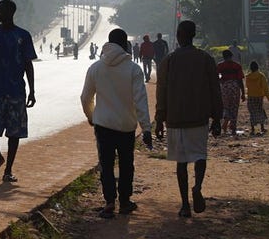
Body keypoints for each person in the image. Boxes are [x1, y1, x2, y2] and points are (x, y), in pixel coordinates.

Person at [81, 28, 153, 218]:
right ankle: (125, 201)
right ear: (125, 45)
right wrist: (146, 128)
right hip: (126, 125)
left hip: (103, 124)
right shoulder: (133, 70)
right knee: (126, 164)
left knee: (106, 164)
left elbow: (85, 97)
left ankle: (109, 202)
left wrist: (91, 116)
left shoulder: (95, 68)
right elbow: (140, 100)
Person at [155, 20, 222, 218]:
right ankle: (197, 187)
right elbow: (215, 90)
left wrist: (160, 118)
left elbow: (162, 92)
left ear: (179, 35)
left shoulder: (169, 61)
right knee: (200, 156)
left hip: (175, 119)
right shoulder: (205, 59)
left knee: (181, 162)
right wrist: (217, 117)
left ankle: (185, 204)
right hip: (199, 117)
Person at [0, 0, 37, 183]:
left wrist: (32, 91)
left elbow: (28, 64)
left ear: (9, 12)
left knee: (14, 132)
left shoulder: (23, 35)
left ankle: (8, 170)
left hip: (16, 91)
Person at [217, 49, 246, 136]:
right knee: (234, 107)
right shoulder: (237, 66)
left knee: (226, 106)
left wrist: (221, 83)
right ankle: (233, 128)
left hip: (225, 87)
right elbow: (240, 79)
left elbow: (216, 77)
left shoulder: (220, 65)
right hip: (235, 87)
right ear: (231, 56)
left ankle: (226, 119)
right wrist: (243, 93)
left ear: (223, 57)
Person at [244, 60, 269, 135]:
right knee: (260, 110)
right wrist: (268, 97)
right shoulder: (261, 76)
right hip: (259, 97)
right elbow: (265, 87)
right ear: (257, 67)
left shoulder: (248, 77)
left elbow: (247, 86)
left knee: (252, 112)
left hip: (251, 96)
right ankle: (262, 127)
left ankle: (252, 129)